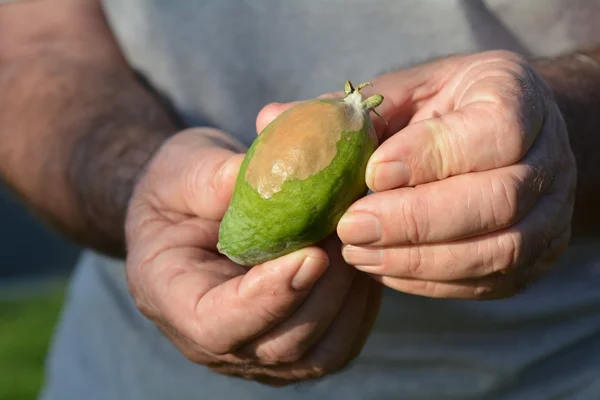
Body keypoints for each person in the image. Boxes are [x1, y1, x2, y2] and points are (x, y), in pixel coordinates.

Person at [1, 0, 600, 398]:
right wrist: (133, 186)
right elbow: (32, 42)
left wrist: (561, 128)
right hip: (131, 371)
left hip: (555, 369)